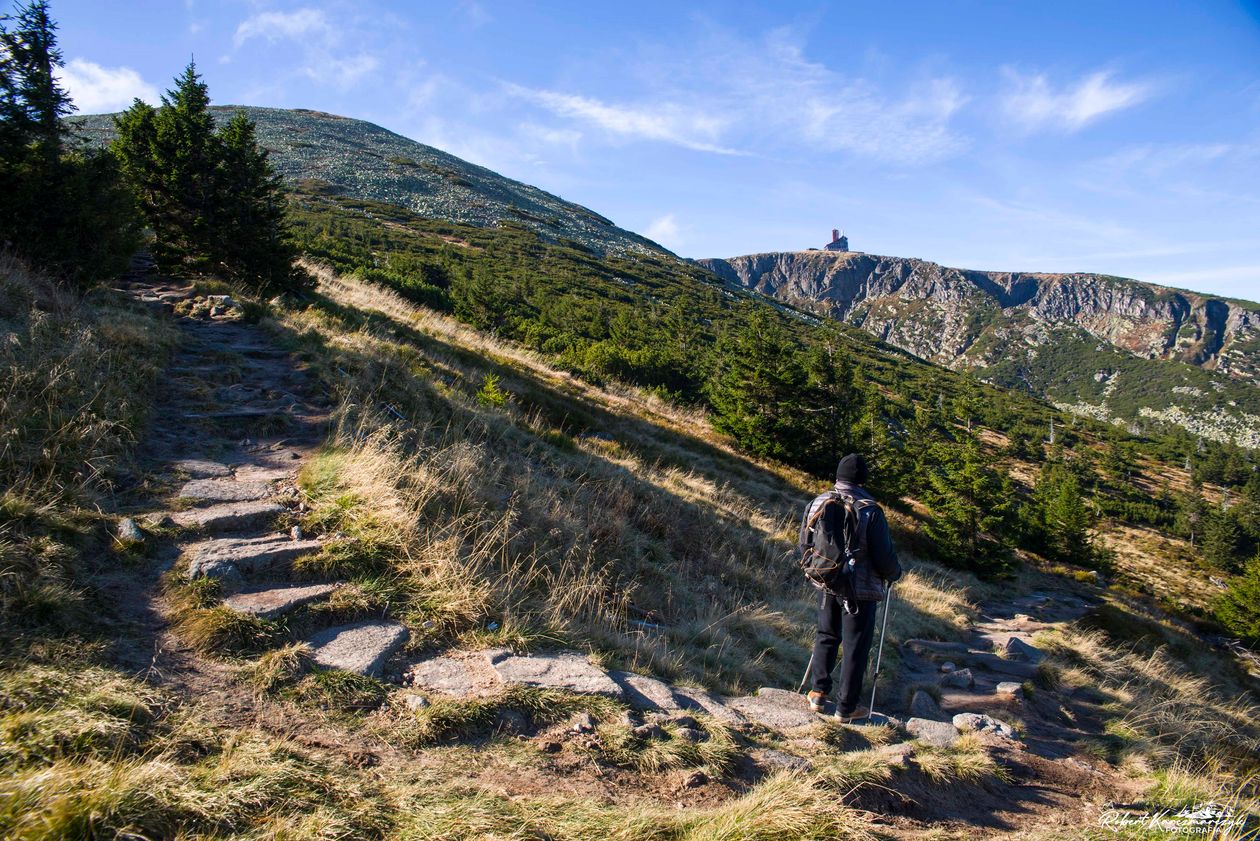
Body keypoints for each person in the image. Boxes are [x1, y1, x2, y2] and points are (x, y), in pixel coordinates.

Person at [799, 453, 902, 721]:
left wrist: (820, 572)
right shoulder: (870, 509)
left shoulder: (818, 501)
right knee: (856, 645)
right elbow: (883, 556)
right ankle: (846, 708)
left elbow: (804, 545)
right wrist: (894, 573)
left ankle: (818, 693)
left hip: (827, 581)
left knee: (826, 634)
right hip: (860, 589)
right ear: (862, 479)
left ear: (838, 475)